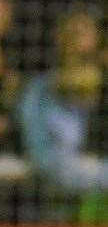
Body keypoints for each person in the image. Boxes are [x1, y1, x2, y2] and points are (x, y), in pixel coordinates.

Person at [18, 12, 108, 194]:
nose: (76, 43)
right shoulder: (39, 90)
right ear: (58, 39)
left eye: (83, 33)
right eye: (71, 33)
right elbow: (42, 154)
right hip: (56, 182)